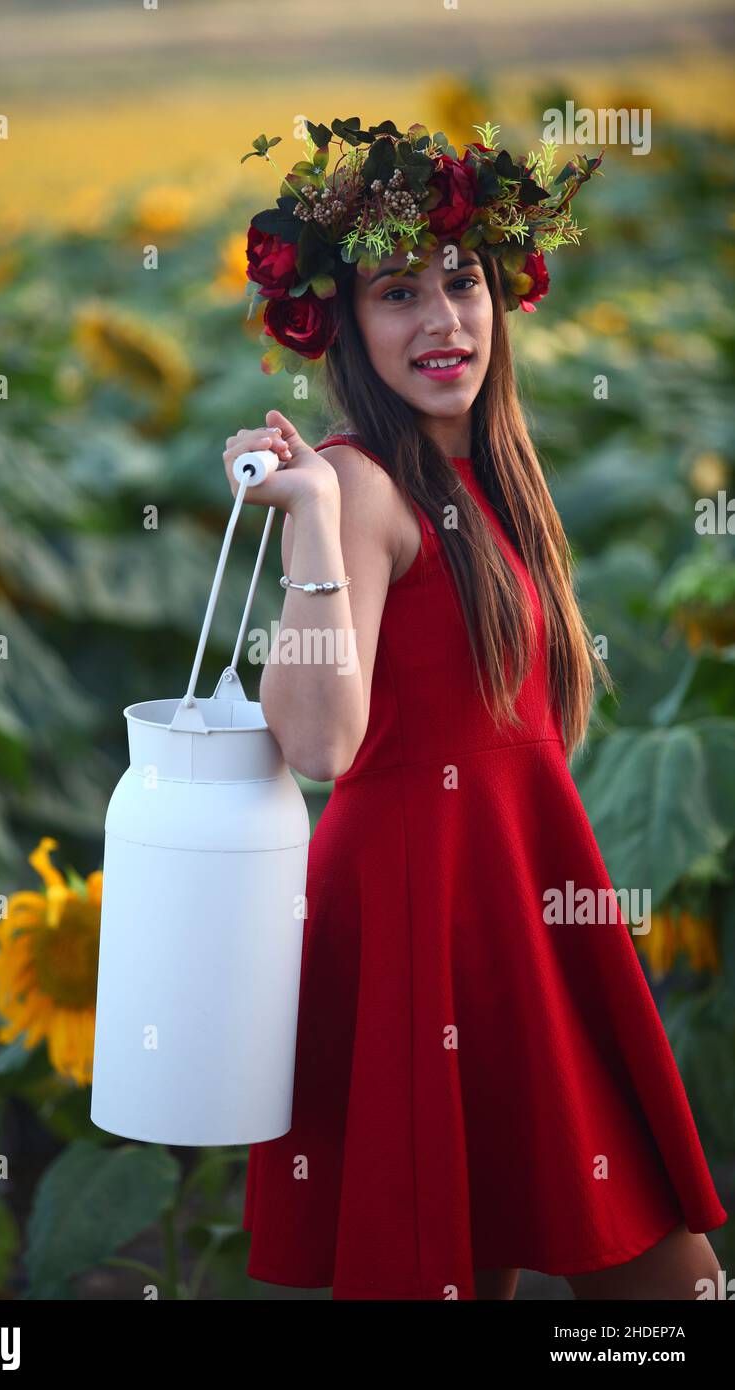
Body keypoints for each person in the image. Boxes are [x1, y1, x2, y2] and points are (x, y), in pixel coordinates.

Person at [224, 117, 728, 1300]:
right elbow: (315, 744)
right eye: (396, 293)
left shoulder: (492, 475)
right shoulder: (357, 481)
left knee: (573, 1265)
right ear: (340, 321)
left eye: (461, 283)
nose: (442, 321)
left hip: (515, 904)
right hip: (415, 912)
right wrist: (305, 516)